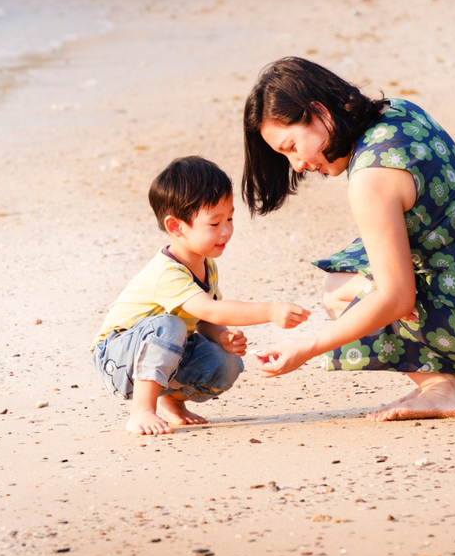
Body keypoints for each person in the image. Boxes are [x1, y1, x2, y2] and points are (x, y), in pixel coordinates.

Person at [241, 56, 455, 421]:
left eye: (291, 147)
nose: (296, 165)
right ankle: (443, 372)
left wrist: (306, 348)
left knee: (340, 290)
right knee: (364, 262)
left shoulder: (371, 177)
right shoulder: (400, 111)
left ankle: (443, 389)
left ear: (319, 113)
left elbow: (396, 297)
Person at [91, 156, 311, 435]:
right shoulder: (166, 272)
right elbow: (210, 310)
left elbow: (205, 319)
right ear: (176, 227)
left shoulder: (206, 264)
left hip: (162, 352)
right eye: (215, 223)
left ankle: (172, 402)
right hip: (117, 357)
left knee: (226, 363)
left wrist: (220, 336)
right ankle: (142, 410)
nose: (227, 230)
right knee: (169, 325)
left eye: (230, 218)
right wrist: (269, 311)